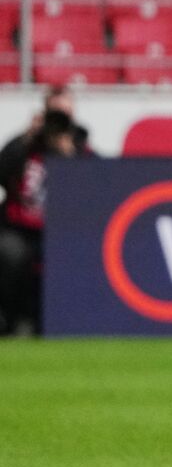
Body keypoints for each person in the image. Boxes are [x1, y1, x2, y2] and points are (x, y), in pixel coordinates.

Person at [0, 86, 81, 334]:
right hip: (19, 227)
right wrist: (27, 137)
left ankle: (52, 322)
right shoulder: (25, 145)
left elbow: (94, 186)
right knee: (11, 253)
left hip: (62, 230)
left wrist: (71, 155)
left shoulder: (79, 144)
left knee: (73, 257)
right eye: (53, 113)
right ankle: (9, 318)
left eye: (64, 114)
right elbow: (3, 171)